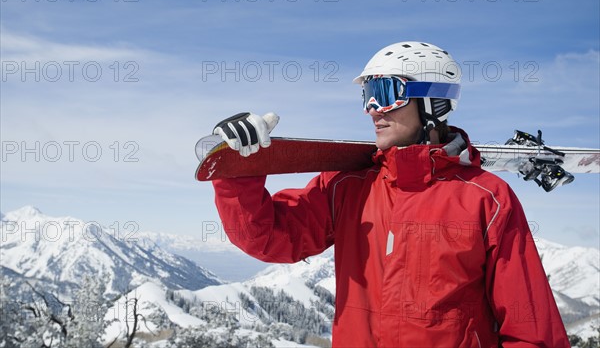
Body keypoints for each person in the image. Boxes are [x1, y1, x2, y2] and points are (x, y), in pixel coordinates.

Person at [211, 41, 570, 348]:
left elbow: (532, 329)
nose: (371, 111)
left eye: (384, 95)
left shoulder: (488, 200)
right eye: (367, 96)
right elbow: (268, 239)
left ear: (433, 102)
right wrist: (239, 172)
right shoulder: (347, 186)